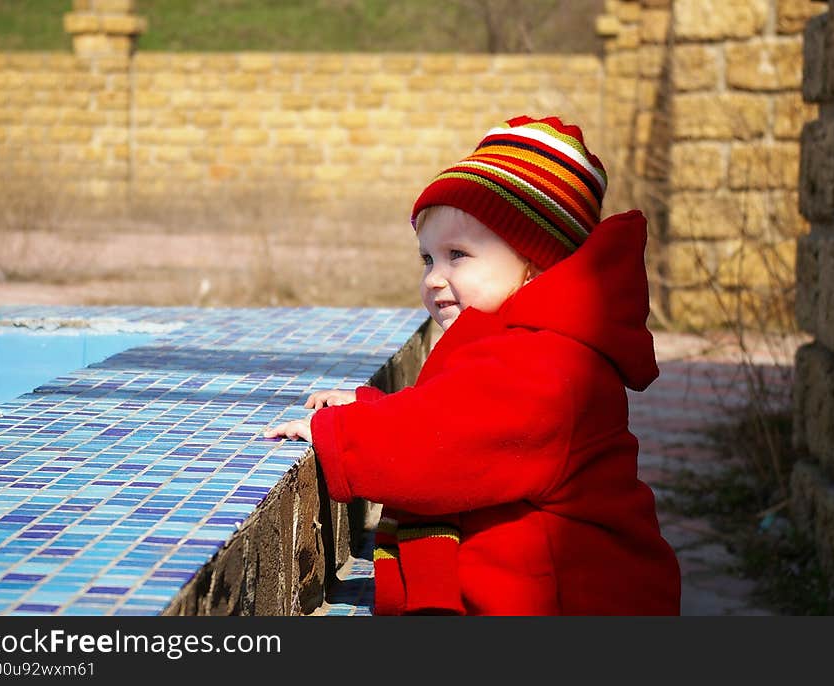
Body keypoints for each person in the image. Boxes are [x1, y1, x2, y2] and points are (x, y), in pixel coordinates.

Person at [264, 115, 681, 615]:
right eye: (427, 259)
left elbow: (445, 443)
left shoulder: (553, 365)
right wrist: (371, 406)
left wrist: (341, 433)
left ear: (536, 263)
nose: (434, 280)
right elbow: (455, 407)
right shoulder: (517, 345)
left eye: (457, 255)